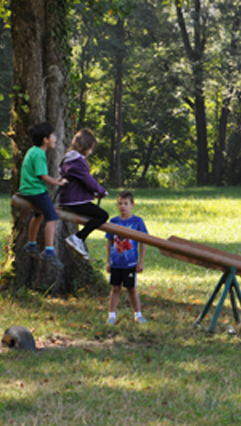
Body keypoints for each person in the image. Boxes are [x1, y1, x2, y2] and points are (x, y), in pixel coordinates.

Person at [20, 122, 68, 269]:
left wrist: (56, 181)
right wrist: (59, 183)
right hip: (36, 191)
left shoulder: (32, 151)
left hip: (28, 189)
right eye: (53, 135)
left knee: (38, 215)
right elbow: (43, 176)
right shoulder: (40, 153)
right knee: (52, 218)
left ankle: (31, 244)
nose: (55, 138)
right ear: (45, 139)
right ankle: (49, 251)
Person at [58, 128, 109, 261]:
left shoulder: (70, 159)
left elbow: (79, 182)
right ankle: (78, 238)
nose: (90, 152)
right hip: (74, 200)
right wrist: (101, 191)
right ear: (84, 147)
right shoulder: (76, 162)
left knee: (96, 214)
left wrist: (94, 193)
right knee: (103, 215)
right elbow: (88, 180)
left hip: (69, 198)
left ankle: (78, 238)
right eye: (90, 149)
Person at [105, 191, 148, 325]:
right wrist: (108, 261)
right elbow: (109, 242)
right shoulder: (113, 222)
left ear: (132, 205)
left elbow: (144, 242)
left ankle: (138, 315)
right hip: (116, 263)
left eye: (125, 203)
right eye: (120, 203)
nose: (122, 206)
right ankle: (111, 316)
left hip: (130, 263)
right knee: (115, 288)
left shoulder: (138, 222)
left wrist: (141, 262)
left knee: (131, 289)